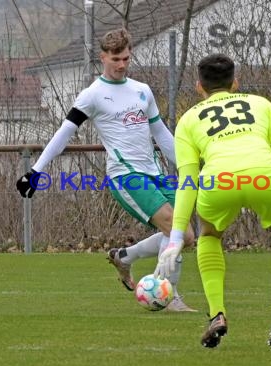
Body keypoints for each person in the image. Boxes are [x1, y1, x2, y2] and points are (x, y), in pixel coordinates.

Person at [154, 53, 271, 348]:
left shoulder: (188, 120)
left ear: (199, 86)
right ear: (235, 83)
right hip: (268, 176)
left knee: (209, 236)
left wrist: (175, 237)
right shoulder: (262, 104)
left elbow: (188, 179)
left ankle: (216, 315)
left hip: (219, 181)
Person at [16, 27, 196, 312]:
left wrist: (189, 165)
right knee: (172, 225)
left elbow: (161, 134)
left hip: (155, 173)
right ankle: (169, 295)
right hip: (125, 177)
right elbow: (64, 133)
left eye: (126, 58)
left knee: (185, 236)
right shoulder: (93, 95)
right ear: (103, 57)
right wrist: (36, 170)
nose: (122, 64)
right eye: (116, 59)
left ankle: (125, 257)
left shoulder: (142, 91)